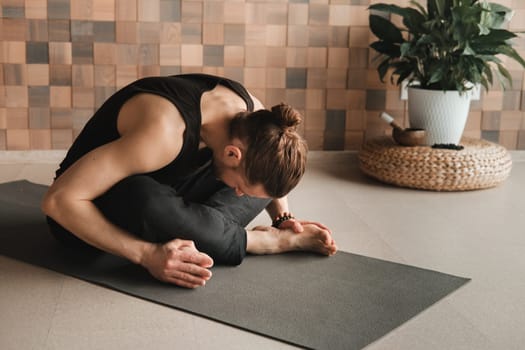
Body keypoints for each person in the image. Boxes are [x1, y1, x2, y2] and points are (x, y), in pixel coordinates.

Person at [41, 73, 337, 289]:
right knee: (147, 201)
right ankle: (258, 242)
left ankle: (206, 229)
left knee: (254, 190)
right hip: (88, 205)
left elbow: (265, 181)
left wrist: (282, 216)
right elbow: (57, 200)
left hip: (169, 184)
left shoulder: (255, 116)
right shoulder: (163, 133)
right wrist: (147, 255)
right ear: (233, 153)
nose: (238, 194)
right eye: (239, 188)